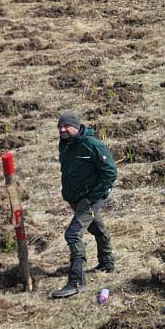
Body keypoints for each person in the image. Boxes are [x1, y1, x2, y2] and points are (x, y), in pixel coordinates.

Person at [53, 111, 118, 299]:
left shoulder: (92, 145)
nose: (62, 130)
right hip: (76, 198)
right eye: (60, 127)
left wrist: (91, 198)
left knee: (73, 234)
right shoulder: (65, 144)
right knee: (97, 228)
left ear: (77, 126)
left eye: (66, 126)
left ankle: (76, 282)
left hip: (91, 199)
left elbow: (110, 173)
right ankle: (107, 263)